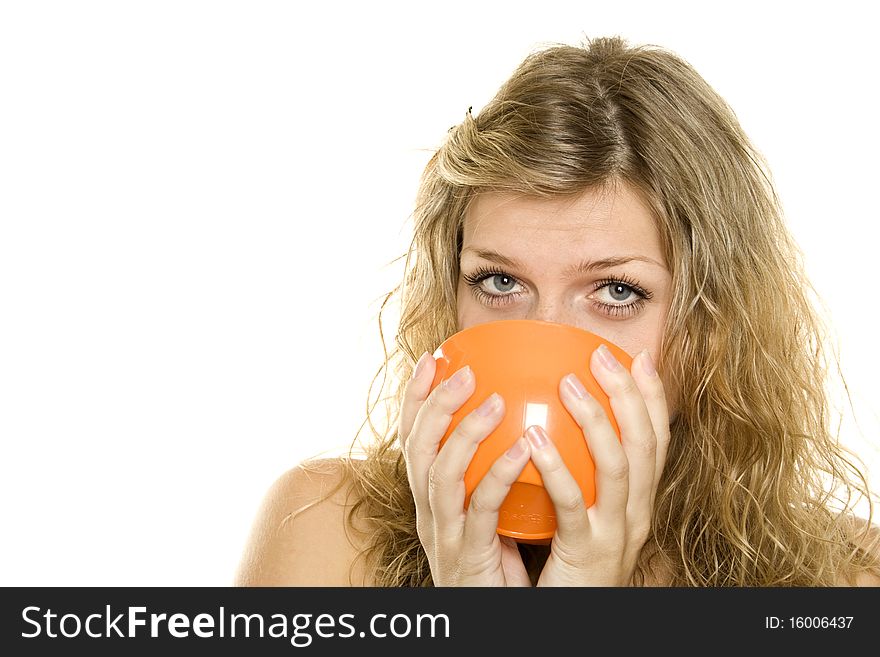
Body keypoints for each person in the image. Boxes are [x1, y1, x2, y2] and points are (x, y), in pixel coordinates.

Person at [234, 35, 880, 587]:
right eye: (498, 281)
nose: (542, 339)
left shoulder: (847, 577)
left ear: (710, 326)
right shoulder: (327, 534)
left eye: (617, 292)